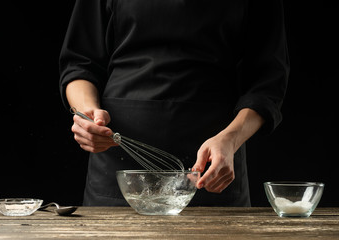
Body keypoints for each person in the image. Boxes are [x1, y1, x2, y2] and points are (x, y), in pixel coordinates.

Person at [59, 0, 289, 206]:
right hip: (118, 163)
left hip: (212, 163)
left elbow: (268, 81)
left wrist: (230, 138)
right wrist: (87, 114)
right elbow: (80, 63)